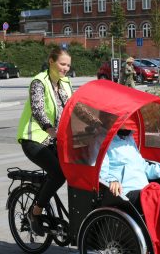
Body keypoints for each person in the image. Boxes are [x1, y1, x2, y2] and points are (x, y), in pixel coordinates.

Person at [17, 47, 101, 236]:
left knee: (80, 166)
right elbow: (38, 109)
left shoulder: (65, 83)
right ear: (51, 61)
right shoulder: (39, 82)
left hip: (57, 139)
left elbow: (76, 108)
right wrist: (49, 129)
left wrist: (97, 123)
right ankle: (35, 212)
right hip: (35, 138)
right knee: (58, 173)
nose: (66, 68)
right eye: (62, 64)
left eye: (68, 65)